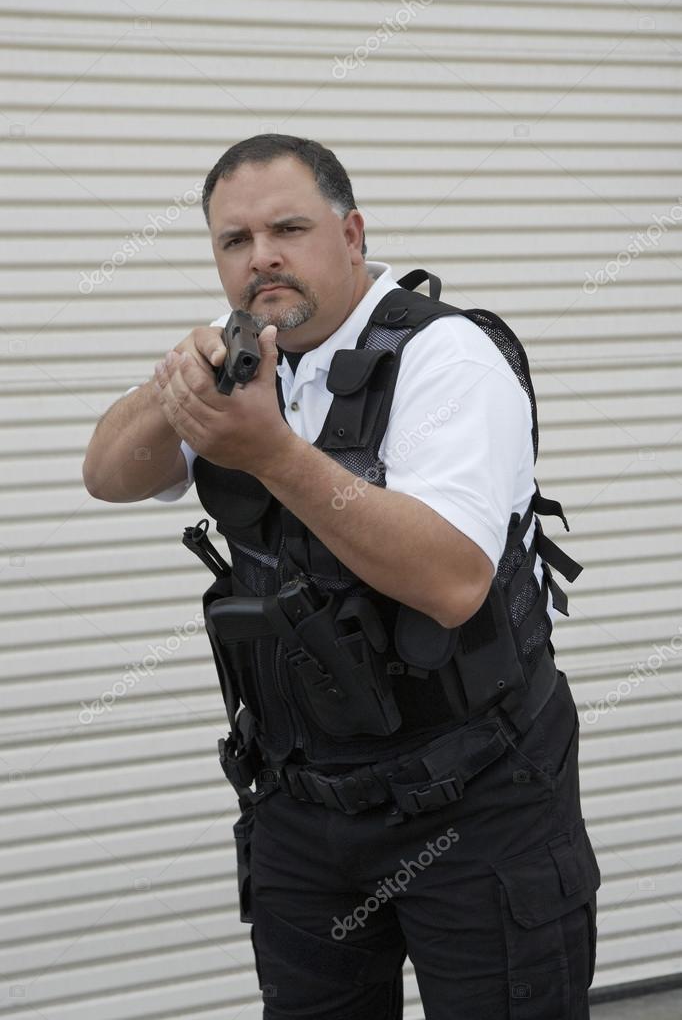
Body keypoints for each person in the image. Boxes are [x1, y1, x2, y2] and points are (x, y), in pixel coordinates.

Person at [83, 134, 600, 1019]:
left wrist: (273, 452)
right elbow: (107, 473)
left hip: (478, 798)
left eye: (288, 227)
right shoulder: (242, 366)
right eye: (233, 242)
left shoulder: (448, 361)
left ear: (352, 233)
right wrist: (176, 381)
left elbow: (450, 579)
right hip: (302, 802)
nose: (262, 257)